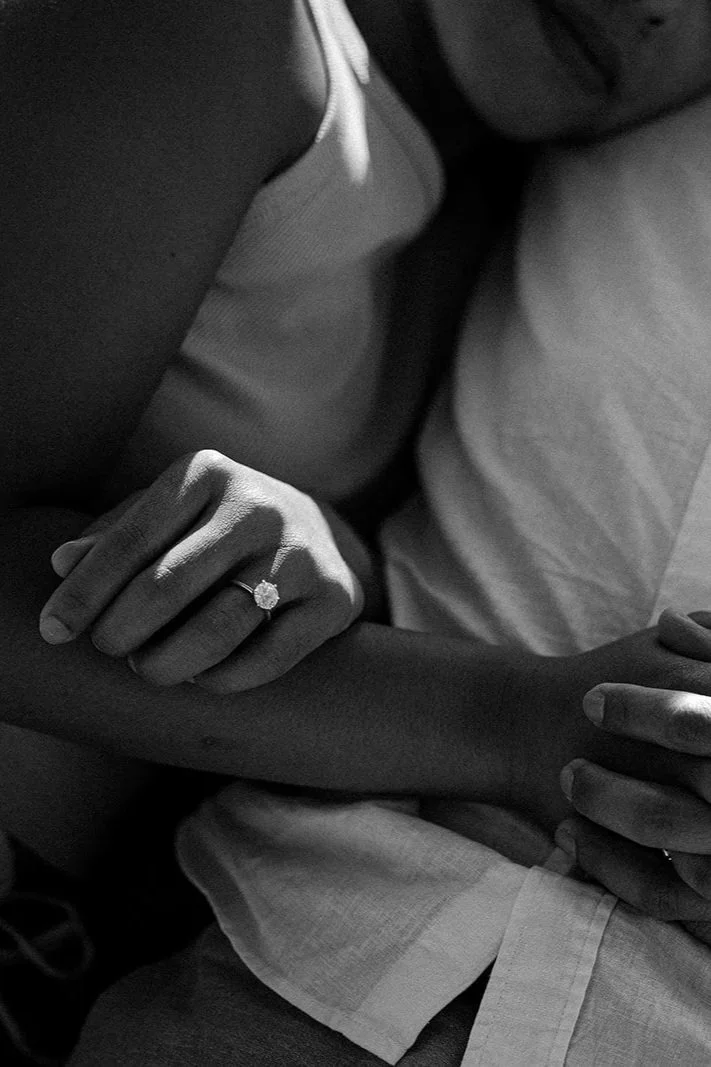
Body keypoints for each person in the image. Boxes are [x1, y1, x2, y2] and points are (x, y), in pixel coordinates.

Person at [5, 0, 711, 1059]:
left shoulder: (475, 220)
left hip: (78, 945)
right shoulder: (213, 31)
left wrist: (329, 555)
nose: (655, 9)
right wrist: (517, 721)